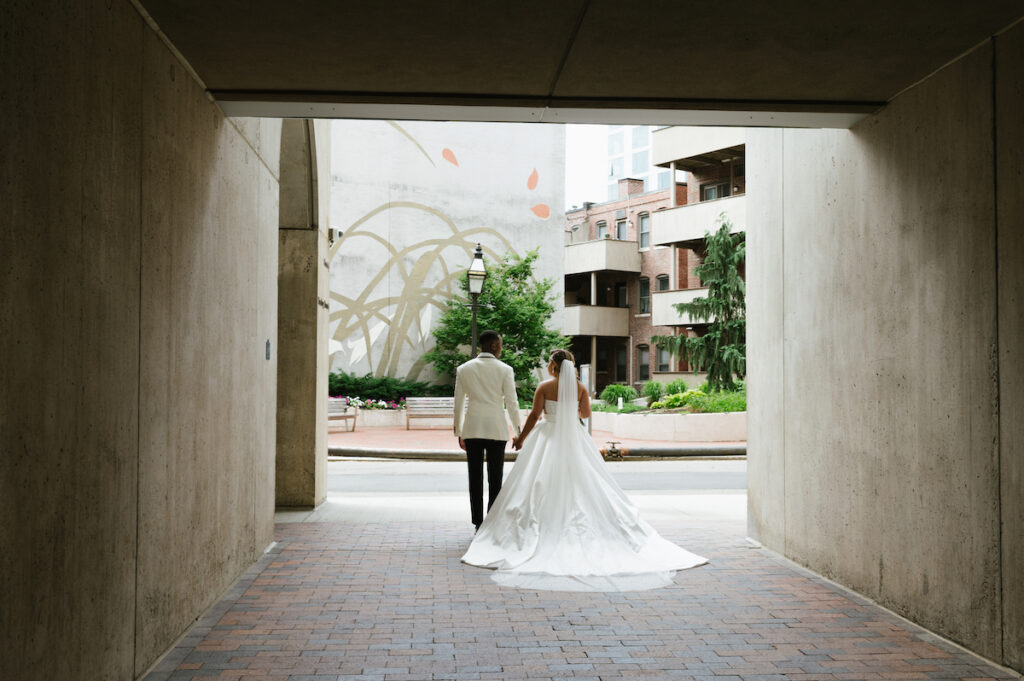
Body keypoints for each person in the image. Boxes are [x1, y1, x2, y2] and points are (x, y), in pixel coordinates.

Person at [462, 349, 707, 591]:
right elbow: (586, 414)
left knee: (537, 482)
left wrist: (522, 438)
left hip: (547, 437)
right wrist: (572, 410)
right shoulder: (580, 389)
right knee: (583, 482)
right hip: (575, 438)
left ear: (553, 366)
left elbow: (535, 415)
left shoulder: (544, 387)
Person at [453, 330, 522, 531]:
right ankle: (492, 522)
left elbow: (458, 403)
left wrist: (459, 431)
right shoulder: (505, 370)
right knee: (495, 478)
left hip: (472, 428)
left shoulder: (464, 369)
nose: (501, 348)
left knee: (474, 477)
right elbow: (512, 402)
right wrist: (518, 431)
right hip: (496, 428)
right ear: (493, 345)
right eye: (500, 344)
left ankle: (477, 522)